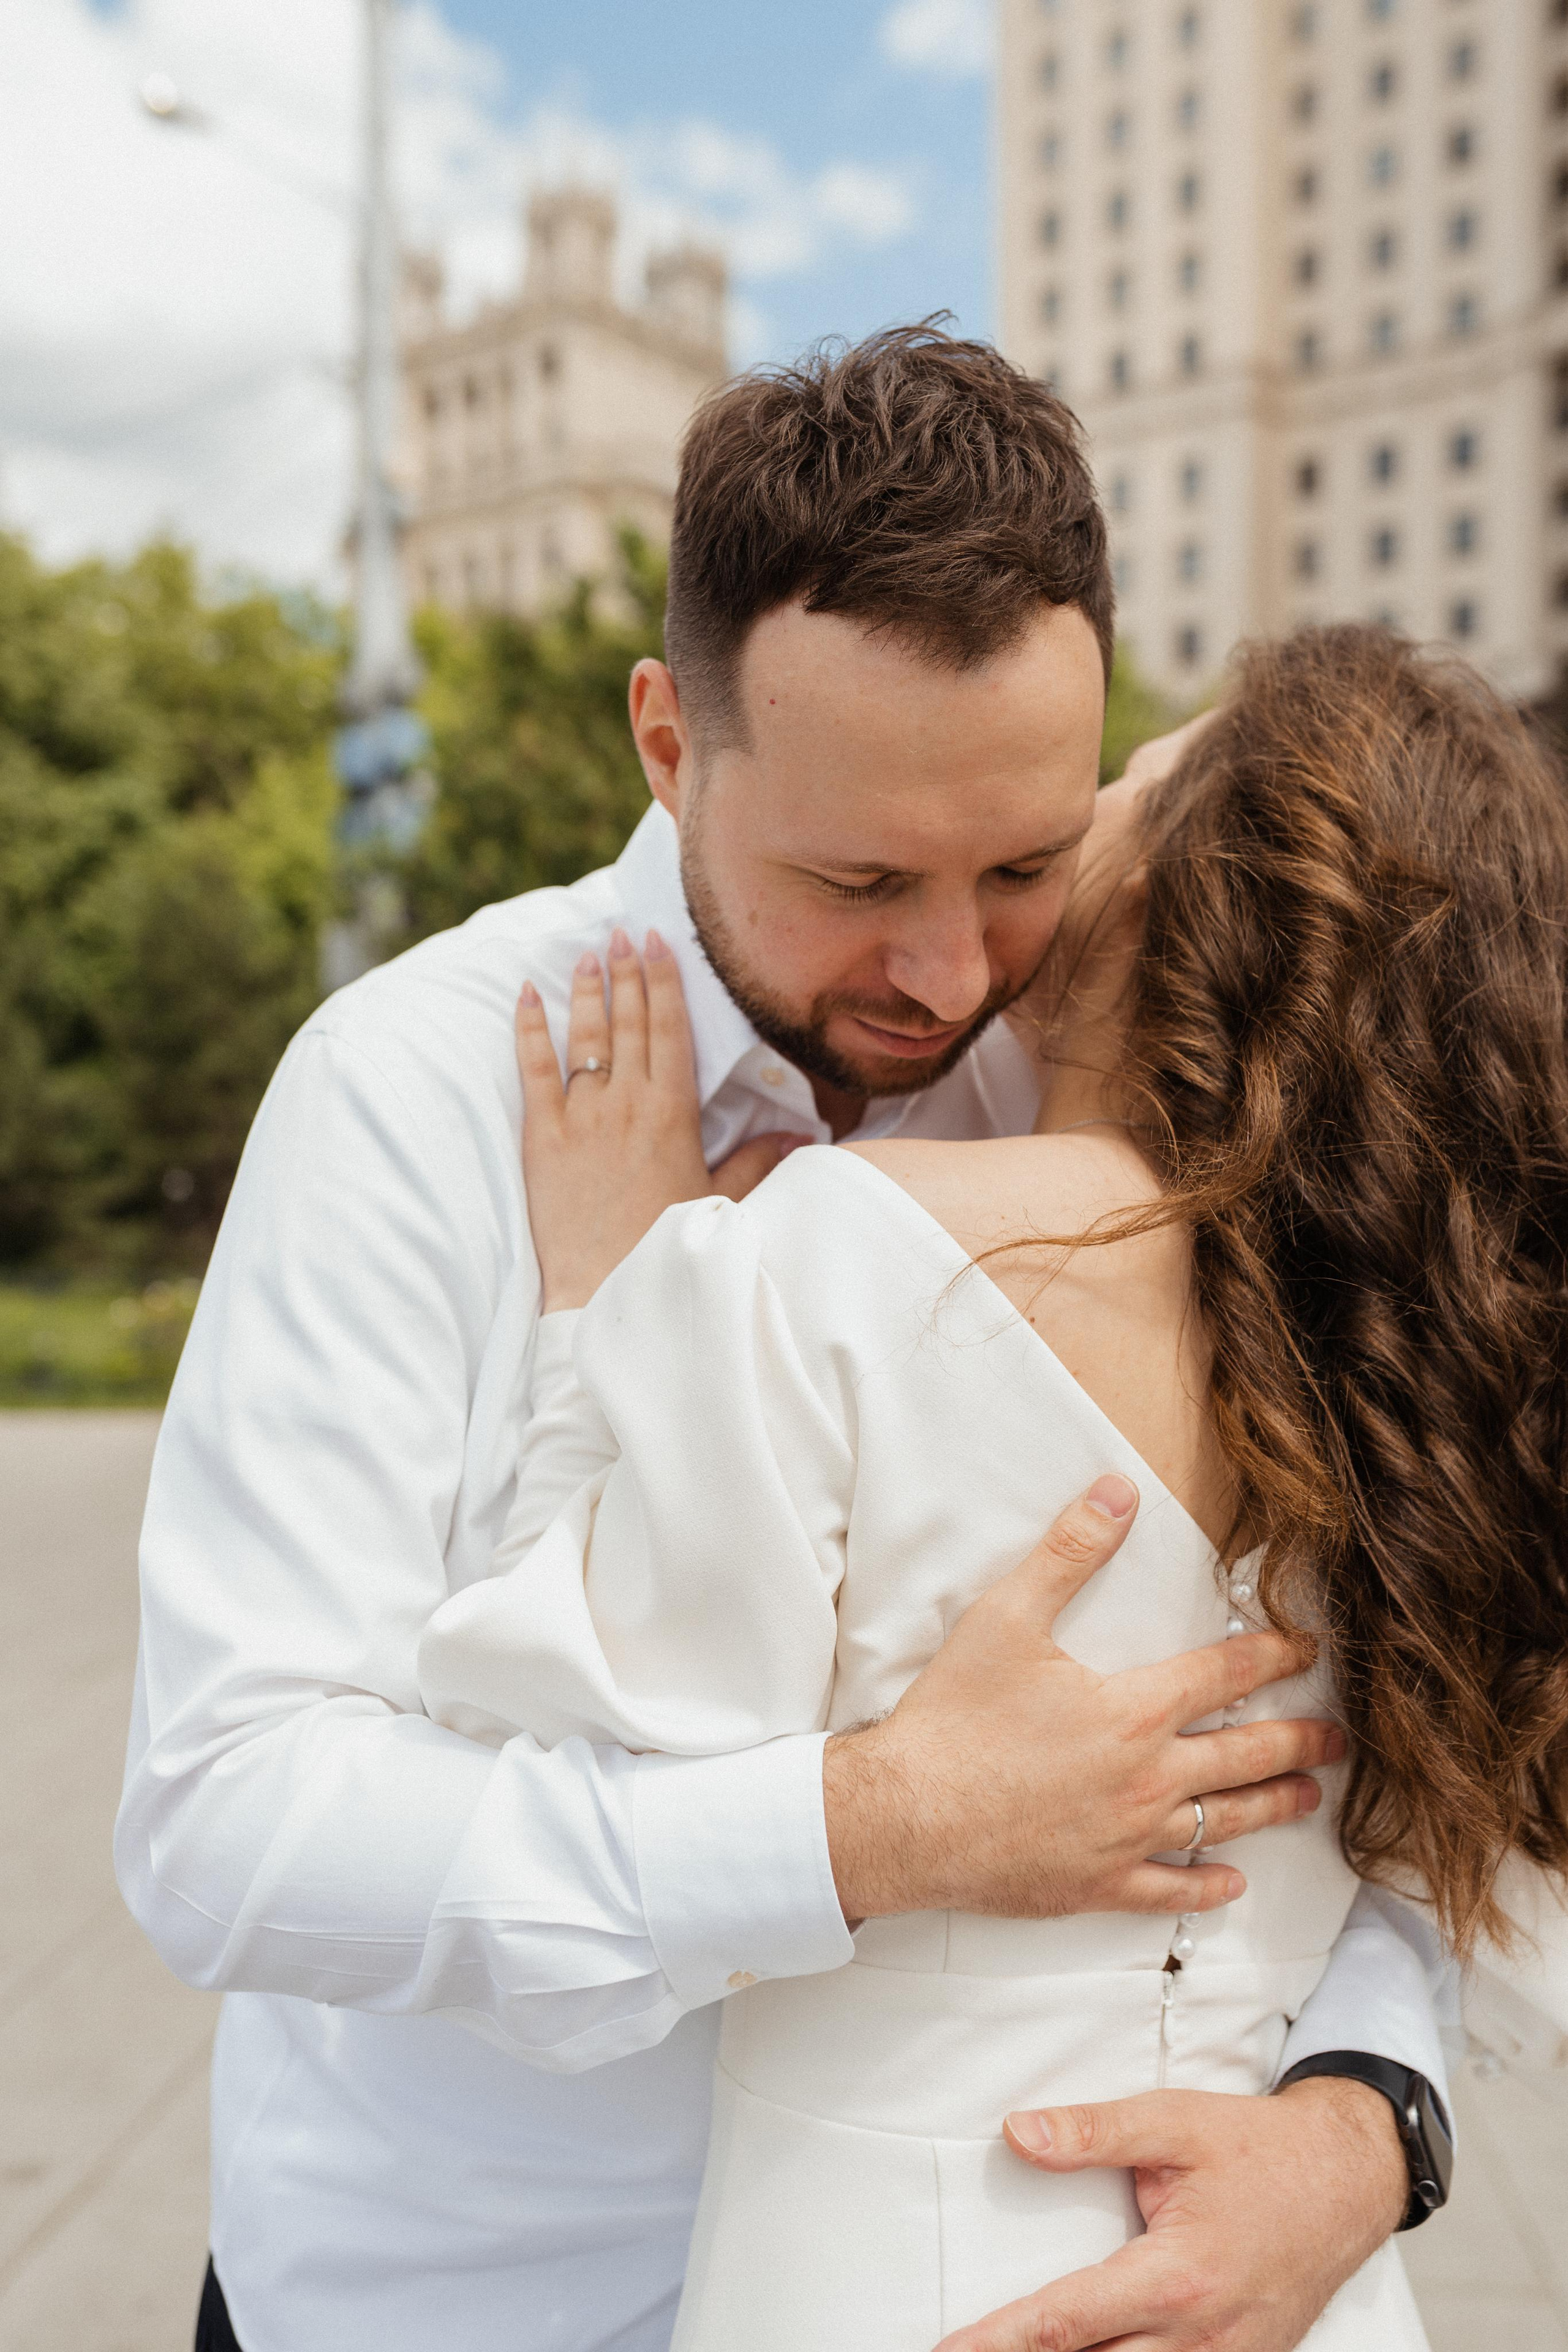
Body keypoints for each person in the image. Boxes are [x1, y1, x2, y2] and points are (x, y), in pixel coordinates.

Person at [116, 329, 1451, 2352]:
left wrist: (1368, 2118)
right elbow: (230, 1824)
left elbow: (1438, 1666)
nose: (948, 972)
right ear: (670, 742)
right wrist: (875, 1824)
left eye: (1024, 864)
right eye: (858, 878)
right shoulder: (413, 1089)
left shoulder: (1133, 1070)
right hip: (471, 2306)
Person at [422, 620, 1568, 2350]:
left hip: (887, 2276)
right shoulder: (1436, 1369)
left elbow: (550, 1758)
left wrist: (604, 1292)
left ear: (1168, 896)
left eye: (1120, 789)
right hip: (1298, 2291)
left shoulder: (834, 1254)